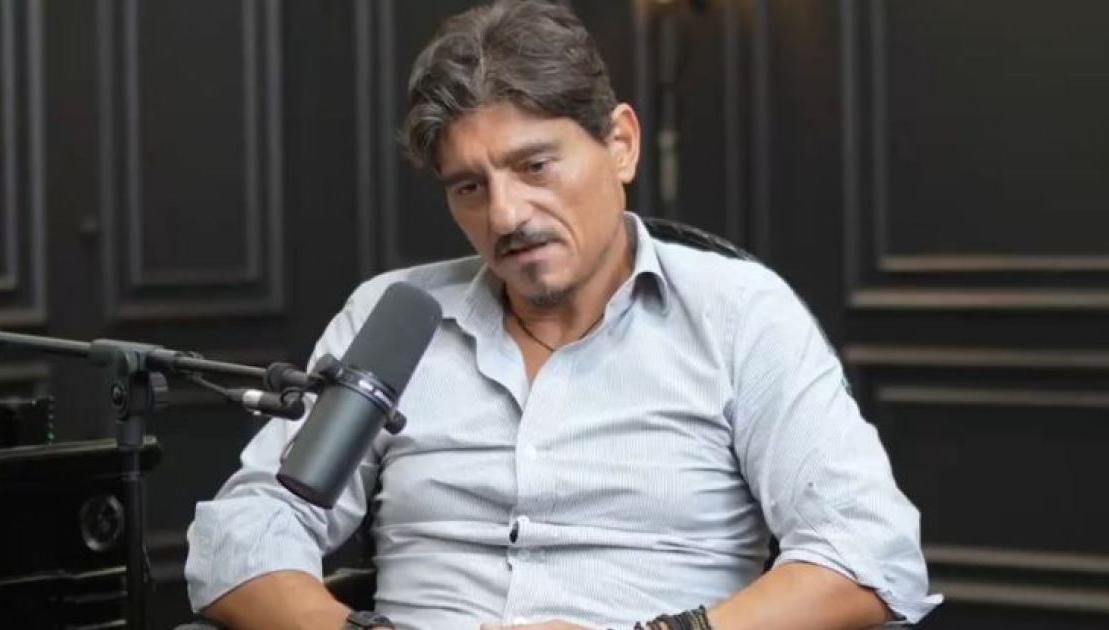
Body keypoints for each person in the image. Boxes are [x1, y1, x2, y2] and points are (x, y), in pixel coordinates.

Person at [185, 1, 941, 629]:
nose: (506, 215)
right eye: (469, 187)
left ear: (621, 144)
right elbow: (245, 531)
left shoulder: (740, 315)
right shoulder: (393, 320)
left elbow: (867, 552)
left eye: (534, 166)